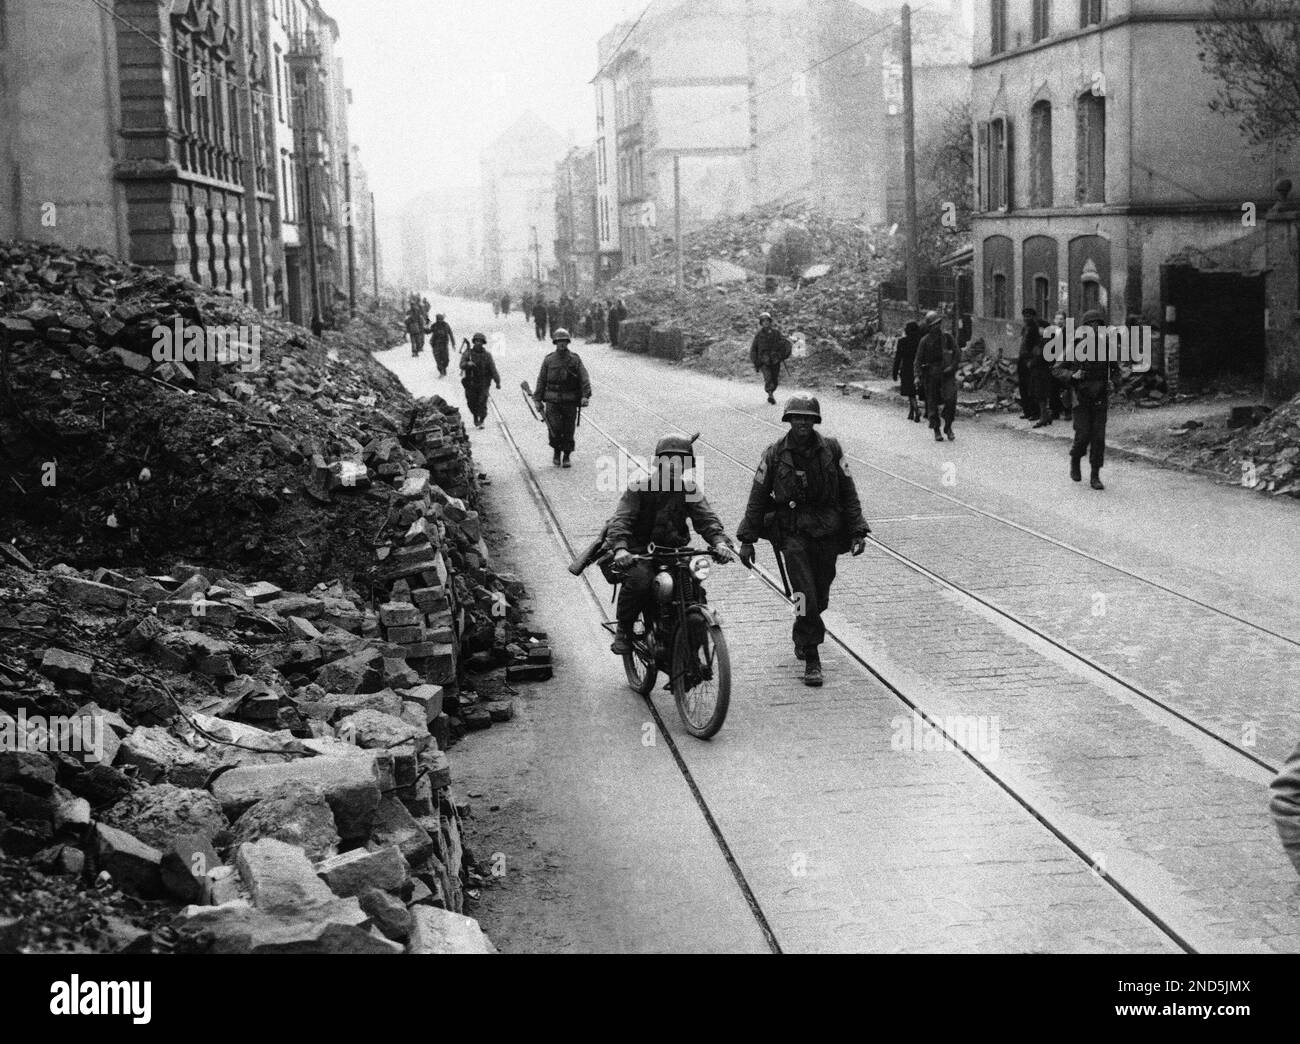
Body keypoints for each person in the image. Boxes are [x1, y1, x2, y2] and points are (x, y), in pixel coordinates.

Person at [736, 396, 869, 687]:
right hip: (792, 531)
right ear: (788, 420)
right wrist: (747, 539)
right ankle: (812, 655)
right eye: (797, 417)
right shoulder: (773, 454)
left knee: (819, 595)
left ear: (815, 421)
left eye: (808, 418)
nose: (803, 423)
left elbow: (848, 491)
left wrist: (858, 529)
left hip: (826, 530)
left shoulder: (831, 450)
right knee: (804, 592)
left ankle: (802, 629)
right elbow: (757, 497)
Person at [604, 435, 737, 655]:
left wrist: (719, 543)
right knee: (639, 581)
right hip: (641, 553)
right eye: (670, 460)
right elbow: (621, 520)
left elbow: (707, 520)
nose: (675, 466)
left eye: (681, 461)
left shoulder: (689, 490)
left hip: (676, 553)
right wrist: (620, 548)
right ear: (659, 462)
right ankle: (624, 630)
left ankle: (691, 651)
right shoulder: (639, 488)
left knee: (694, 591)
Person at [1064, 308, 1116, 490]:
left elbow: (1115, 369)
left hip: (1100, 396)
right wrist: (1073, 375)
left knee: (1098, 438)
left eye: (1099, 325)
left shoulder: (1107, 346)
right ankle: (1075, 459)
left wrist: (1114, 382)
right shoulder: (1074, 345)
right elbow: (1057, 369)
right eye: (1091, 325)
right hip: (1080, 397)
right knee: (1083, 434)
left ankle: (1095, 475)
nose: (1095, 329)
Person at [533, 328, 591, 468]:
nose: (562, 344)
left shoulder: (575, 360)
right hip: (552, 400)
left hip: (570, 401)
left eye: (564, 341)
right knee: (554, 428)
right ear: (555, 343)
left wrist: (585, 396)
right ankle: (556, 452)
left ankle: (566, 455)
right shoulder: (549, 360)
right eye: (559, 342)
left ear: (568, 342)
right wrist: (537, 399)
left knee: (568, 429)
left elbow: (584, 378)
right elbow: (541, 380)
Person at [914, 310, 958, 442]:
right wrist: (917, 376)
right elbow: (918, 360)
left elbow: (957, 353)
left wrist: (952, 367)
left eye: (938, 323)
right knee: (932, 403)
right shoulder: (924, 341)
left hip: (947, 374)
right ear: (929, 327)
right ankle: (936, 429)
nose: (937, 326)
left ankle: (948, 427)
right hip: (931, 374)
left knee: (951, 401)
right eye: (934, 325)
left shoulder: (947, 338)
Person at [750, 311, 793, 405]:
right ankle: (770, 394)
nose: (765, 322)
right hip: (764, 361)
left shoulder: (776, 333)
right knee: (768, 378)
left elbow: (784, 344)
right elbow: (754, 349)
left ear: (770, 322)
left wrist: (781, 355)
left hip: (775, 360)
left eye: (767, 321)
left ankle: (771, 392)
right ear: (761, 323)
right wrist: (756, 362)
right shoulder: (759, 335)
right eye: (763, 321)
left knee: (774, 379)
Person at [460, 332, 501, 429]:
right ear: (474, 342)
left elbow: (493, 369)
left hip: (484, 382)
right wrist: (467, 364)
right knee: (471, 402)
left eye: (480, 341)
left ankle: (482, 419)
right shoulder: (468, 353)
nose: (478, 343)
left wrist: (497, 381)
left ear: (483, 343)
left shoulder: (487, 355)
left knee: (482, 402)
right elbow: (461, 365)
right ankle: (475, 416)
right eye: (476, 341)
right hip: (471, 382)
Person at [892, 320, 922, 422]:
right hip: (918, 368)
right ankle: (911, 411)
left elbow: (898, 358)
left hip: (907, 368)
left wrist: (894, 372)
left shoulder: (902, 341)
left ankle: (916, 410)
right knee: (913, 391)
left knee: (910, 392)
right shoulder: (920, 341)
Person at [1017, 308, 1042, 421]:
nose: (1026, 318)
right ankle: (1026, 411)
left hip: (1029, 361)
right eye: (1025, 316)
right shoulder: (1025, 328)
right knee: (1022, 386)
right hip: (1022, 359)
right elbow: (1022, 343)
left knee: (1031, 388)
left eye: (1029, 316)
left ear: (1033, 317)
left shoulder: (1035, 329)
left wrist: (1032, 361)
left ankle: (1035, 413)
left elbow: (1037, 347)